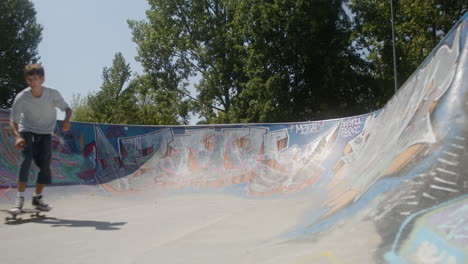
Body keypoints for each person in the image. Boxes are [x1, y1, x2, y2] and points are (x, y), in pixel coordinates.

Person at [9, 64, 72, 213]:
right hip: (27, 130)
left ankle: (37, 198)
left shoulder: (52, 94)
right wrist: (17, 137)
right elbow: (13, 120)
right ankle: (19, 198)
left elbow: (67, 109)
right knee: (26, 159)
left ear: (42, 79)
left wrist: (67, 120)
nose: (32, 82)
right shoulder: (22, 97)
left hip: (45, 132)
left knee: (45, 166)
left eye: (35, 79)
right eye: (29, 79)